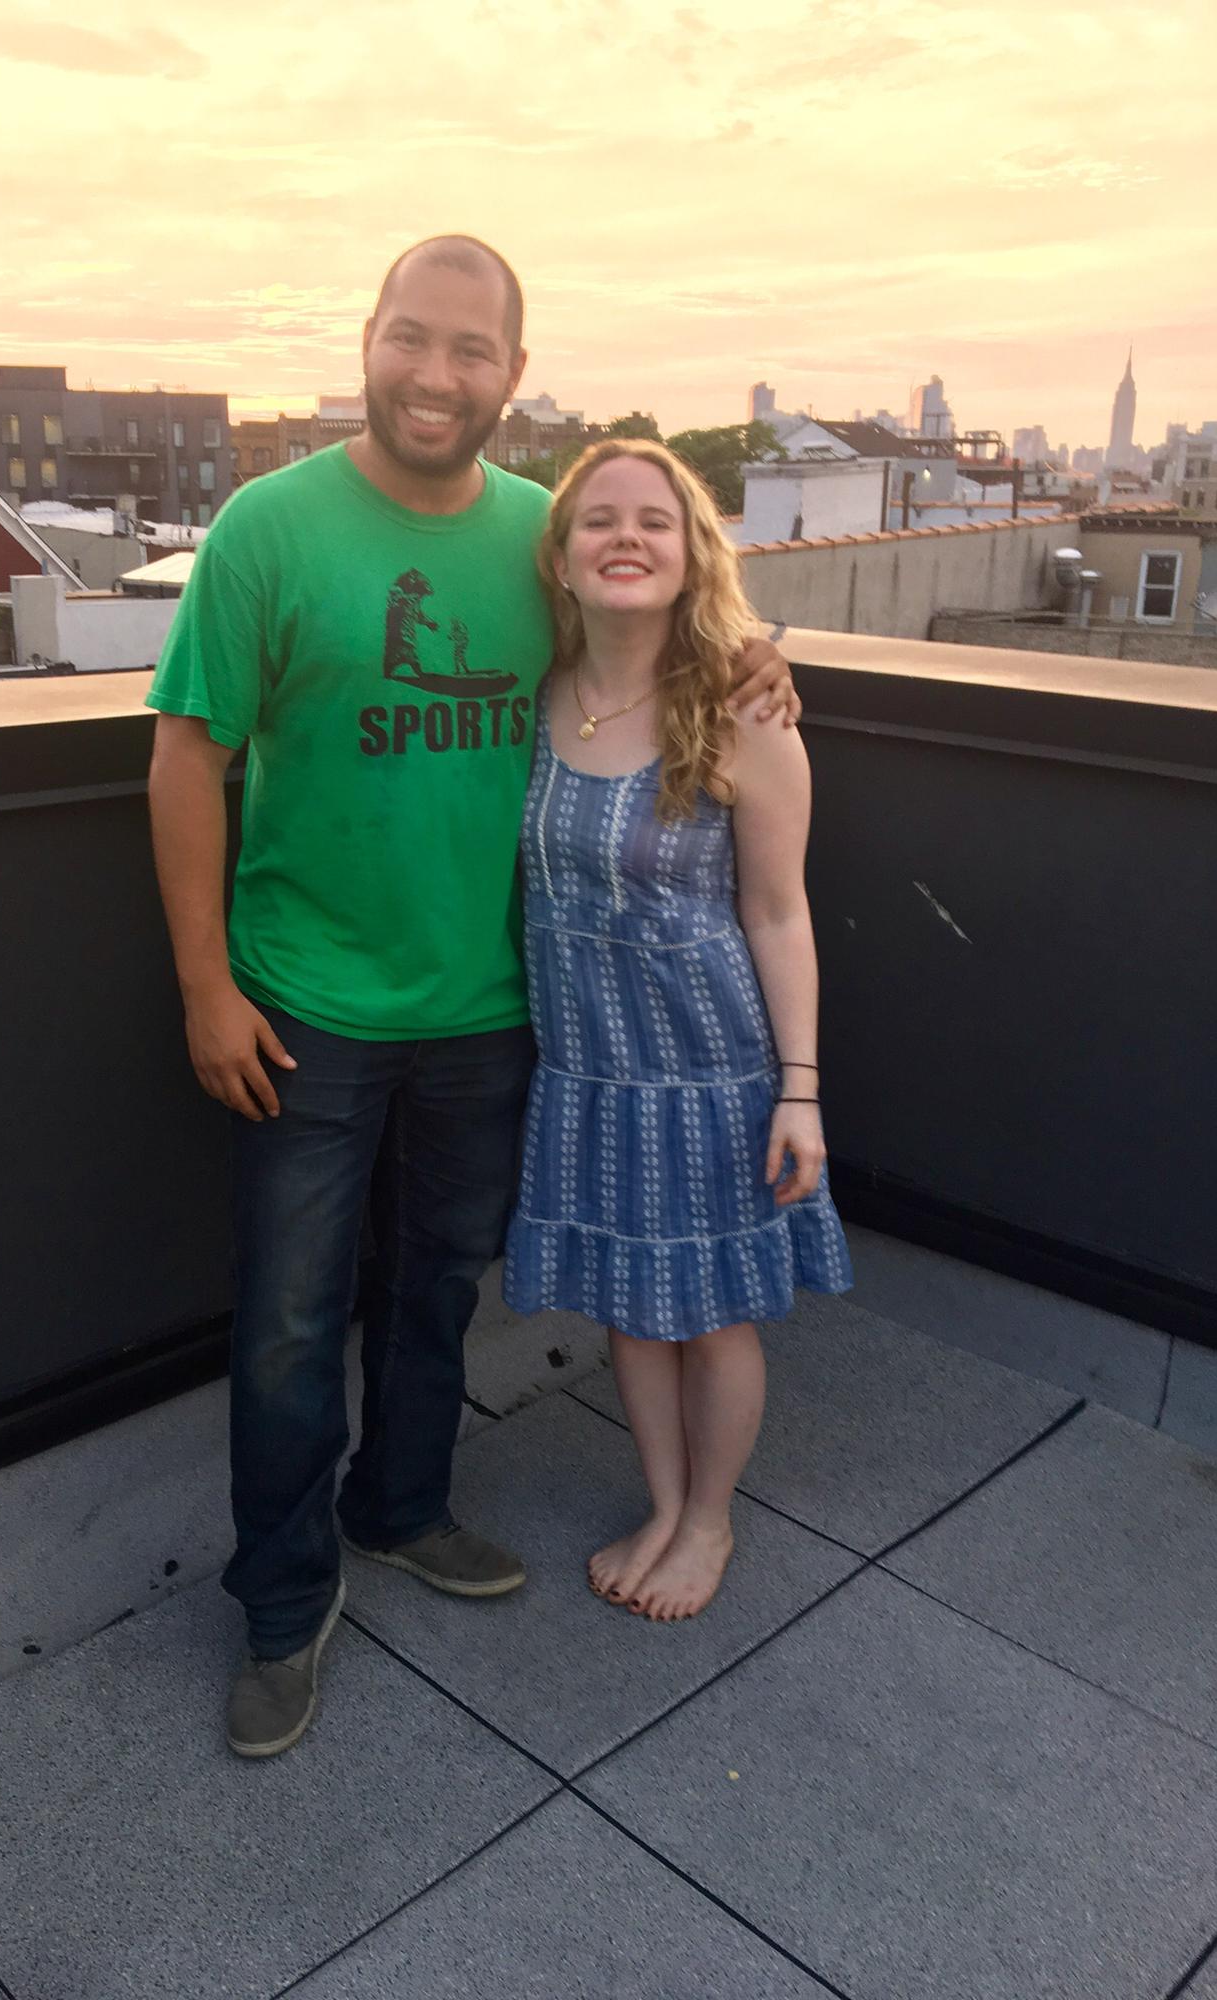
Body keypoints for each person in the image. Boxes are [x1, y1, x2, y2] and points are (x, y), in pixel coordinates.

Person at [145, 236, 799, 1758]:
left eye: (472, 350)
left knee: (440, 1288)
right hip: (303, 1005)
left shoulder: (536, 534)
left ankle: (405, 1509)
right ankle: (283, 1599)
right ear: (366, 340)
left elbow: (657, 622)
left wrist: (760, 653)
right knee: (294, 1323)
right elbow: (188, 755)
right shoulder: (267, 528)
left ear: (515, 369)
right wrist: (202, 986)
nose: (437, 376)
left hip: (494, 1012)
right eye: (411, 340)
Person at [503, 438, 852, 1622]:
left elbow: (780, 910)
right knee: (629, 1303)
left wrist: (798, 1089)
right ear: (559, 555)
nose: (627, 538)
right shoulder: (536, 690)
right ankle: (662, 1501)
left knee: (710, 1312)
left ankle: (711, 1519)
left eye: (656, 519)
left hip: (709, 1069)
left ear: (694, 550)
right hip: (589, 1067)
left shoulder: (745, 711)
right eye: (599, 519)